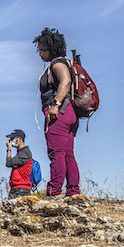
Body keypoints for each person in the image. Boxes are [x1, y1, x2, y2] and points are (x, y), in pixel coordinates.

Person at [33, 28, 80, 197]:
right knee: (68, 153)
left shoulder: (57, 63)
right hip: (70, 113)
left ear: (51, 48)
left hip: (58, 113)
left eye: (42, 49)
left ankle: (54, 190)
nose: (40, 53)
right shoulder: (65, 62)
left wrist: (55, 104)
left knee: (56, 152)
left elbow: (65, 81)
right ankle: (73, 191)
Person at [5, 129, 34, 199]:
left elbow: (9, 163)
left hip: (21, 189)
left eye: (12, 138)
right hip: (17, 188)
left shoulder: (24, 153)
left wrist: (9, 149)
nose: (11, 141)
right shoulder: (21, 153)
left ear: (20, 139)